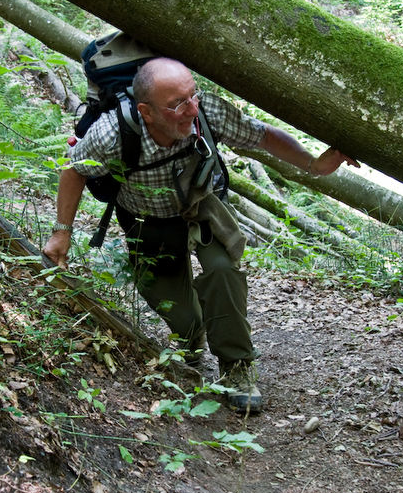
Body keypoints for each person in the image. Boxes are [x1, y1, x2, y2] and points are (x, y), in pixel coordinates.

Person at [43, 58, 358, 414]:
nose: (191, 108)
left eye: (193, 96)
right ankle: (190, 341)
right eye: (177, 103)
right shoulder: (114, 132)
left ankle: (236, 367)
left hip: (203, 205)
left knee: (224, 272)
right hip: (147, 219)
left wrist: (314, 166)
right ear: (145, 111)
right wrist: (62, 232)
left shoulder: (205, 112)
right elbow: (74, 169)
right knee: (179, 313)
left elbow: (262, 135)